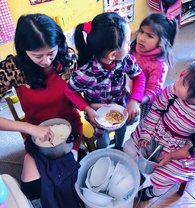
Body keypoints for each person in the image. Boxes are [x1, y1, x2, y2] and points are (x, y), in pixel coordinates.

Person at [0, 14, 83, 208]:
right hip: (35, 133)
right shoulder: (14, 68)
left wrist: (91, 107)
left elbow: (82, 92)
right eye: (38, 55)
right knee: (32, 187)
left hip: (69, 129)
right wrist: (29, 129)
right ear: (23, 50)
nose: (46, 61)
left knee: (69, 179)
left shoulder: (67, 59)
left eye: (51, 53)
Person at [124, 61, 195, 201]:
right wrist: (146, 135)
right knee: (129, 148)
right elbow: (155, 111)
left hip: (178, 147)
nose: (176, 81)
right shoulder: (171, 91)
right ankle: (136, 173)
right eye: (180, 77)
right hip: (156, 130)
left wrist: (172, 155)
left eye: (182, 83)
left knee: (162, 179)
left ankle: (153, 193)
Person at [64, 12, 145, 150]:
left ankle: (119, 147)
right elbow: (69, 92)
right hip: (97, 113)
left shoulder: (126, 60)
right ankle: (102, 152)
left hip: (121, 106)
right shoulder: (85, 73)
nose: (131, 44)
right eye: (127, 41)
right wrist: (88, 108)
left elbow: (139, 76)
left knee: (121, 130)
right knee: (104, 141)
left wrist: (134, 101)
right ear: (113, 54)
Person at [130, 13, 177, 117]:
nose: (141, 38)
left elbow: (154, 89)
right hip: (130, 89)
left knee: (144, 121)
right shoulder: (134, 47)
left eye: (150, 36)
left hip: (145, 99)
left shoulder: (159, 65)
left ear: (162, 42)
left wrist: (137, 101)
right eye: (141, 32)